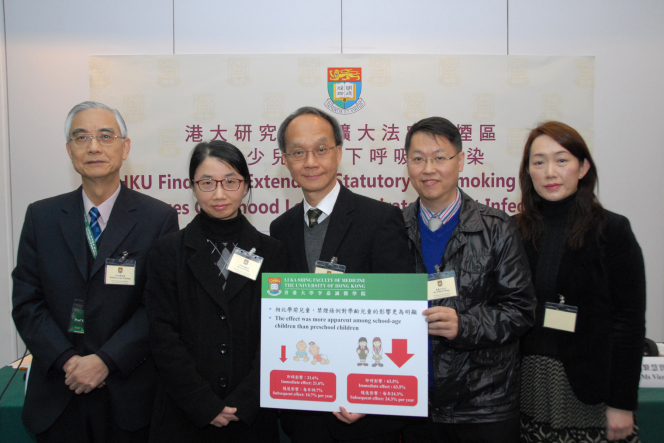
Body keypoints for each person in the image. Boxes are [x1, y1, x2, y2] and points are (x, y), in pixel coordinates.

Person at [11, 101, 179, 442]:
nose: (94, 147)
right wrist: (67, 360)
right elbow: (27, 302)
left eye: (105, 136)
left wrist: (105, 360)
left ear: (124, 146)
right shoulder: (41, 217)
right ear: (70, 150)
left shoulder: (157, 218)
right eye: (81, 137)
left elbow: (160, 305)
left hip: (128, 395)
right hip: (59, 392)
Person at [270, 106, 413, 443]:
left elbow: (398, 313)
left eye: (321, 149)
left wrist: (371, 393)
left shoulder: (379, 219)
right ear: (285, 160)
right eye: (298, 152)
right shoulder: (281, 229)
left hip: (364, 411)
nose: (310, 161)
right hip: (304, 407)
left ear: (339, 152)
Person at [400, 116, 536, 443]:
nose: (428, 168)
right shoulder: (393, 228)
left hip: (483, 405)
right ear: (407, 165)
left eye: (439, 157)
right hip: (416, 403)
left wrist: (465, 325)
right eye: (418, 159)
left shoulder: (497, 228)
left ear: (460, 161)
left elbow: (521, 310)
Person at [144, 140, 287, 442]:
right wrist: (202, 402)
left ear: (246, 185)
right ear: (193, 188)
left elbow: (281, 334)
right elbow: (162, 334)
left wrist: (246, 399)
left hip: (251, 416)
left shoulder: (273, 252)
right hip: (184, 415)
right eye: (207, 183)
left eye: (231, 182)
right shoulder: (167, 251)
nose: (219, 194)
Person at [515, 121, 645, 443]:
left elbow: (628, 324)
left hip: (589, 388)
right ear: (528, 171)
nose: (550, 172)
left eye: (562, 160)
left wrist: (622, 403)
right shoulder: (513, 230)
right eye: (539, 161)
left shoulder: (612, 230)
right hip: (526, 385)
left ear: (583, 167)